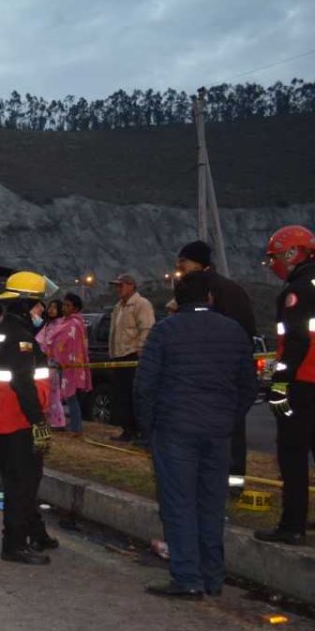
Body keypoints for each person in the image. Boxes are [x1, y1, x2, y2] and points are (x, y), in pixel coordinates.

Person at [134, 271, 255, 598]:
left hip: (175, 430)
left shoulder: (164, 331)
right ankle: (213, 577)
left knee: (179, 504)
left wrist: (150, 429)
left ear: (177, 299)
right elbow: (248, 385)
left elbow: (144, 387)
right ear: (210, 298)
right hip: (217, 432)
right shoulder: (233, 332)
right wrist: (229, 419)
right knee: (212, 504)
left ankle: (187, 578)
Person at [0, 272, 56, 565]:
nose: (43, 312)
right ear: (25, 306)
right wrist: (38, 421)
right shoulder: (21, 339)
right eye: (38, 306)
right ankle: (14, 544)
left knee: (20, 479)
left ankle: (36, 533)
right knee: (22, 482)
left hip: (0, 418)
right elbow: (24, 384)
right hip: (18, 420)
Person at [176, 240, 257, 495]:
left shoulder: (203, 290)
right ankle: (235, 482)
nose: (180, 268)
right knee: (234, 430)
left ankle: (213, 481)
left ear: (198, 263)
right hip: (232, 372)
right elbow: (249, 332)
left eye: (184, 262)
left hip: (208, 374)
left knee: (208, 431)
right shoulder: (234, 289)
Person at [255, 225, 315, 545]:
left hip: (302, 383)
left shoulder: (298, 290)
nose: (274, 264)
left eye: (276, 257)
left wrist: (278, 383)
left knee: (292, 455)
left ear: (294, 253)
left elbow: (295, 342)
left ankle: (292, 525)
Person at [108, 273, 155, 442]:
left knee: (135, 395)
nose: (118, 289)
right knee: (122, 396)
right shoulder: (118, 307)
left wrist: (141, 350)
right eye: (117, 286)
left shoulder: (141, 304)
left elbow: (147, 328)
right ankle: (128, 429)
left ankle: (141, 431)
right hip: (119, 355)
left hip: (133, 355)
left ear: (131, 286)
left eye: (121, 285)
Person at [50, 294, 92, 437]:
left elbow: (72, 344)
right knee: (69, 396)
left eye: (68, 305)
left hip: (72, 363)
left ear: (75, 308)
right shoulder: (66, 322)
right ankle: (75, 425)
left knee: (71, 396)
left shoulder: (75, 323)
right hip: (65, 363)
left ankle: (76, 427)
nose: (64, 308)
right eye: (64, 305)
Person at [34, 299, 67, 429]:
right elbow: (40, 340)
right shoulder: (48, 325)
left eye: (55, 307)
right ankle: (53, 419)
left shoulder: (60, 325)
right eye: (50, 307)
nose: (51, 309)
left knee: (54, 392)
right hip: (46, 362)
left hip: (54, 362)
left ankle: (58, 421)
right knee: (48, 392)